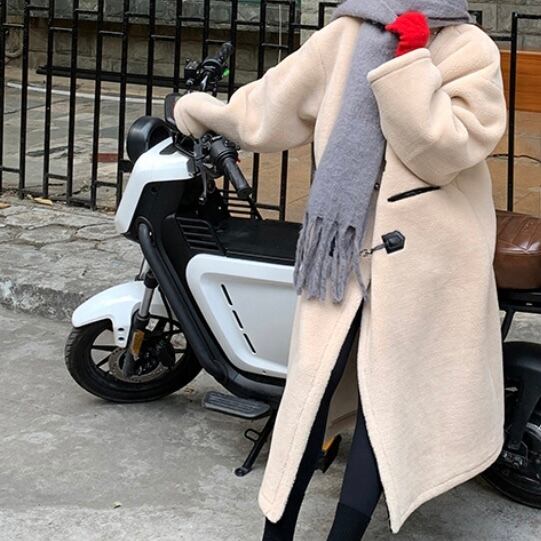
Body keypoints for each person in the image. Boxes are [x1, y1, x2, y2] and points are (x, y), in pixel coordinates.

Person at [174, 1, 508, 539]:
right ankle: (277, 530)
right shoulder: (345, 35)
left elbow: (443, 151)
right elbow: (270, 106)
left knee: (389, 401)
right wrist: (196, 110)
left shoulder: (469, 48)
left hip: (431, 262)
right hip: (342, 249)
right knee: (312, 391)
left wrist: (409, 61)